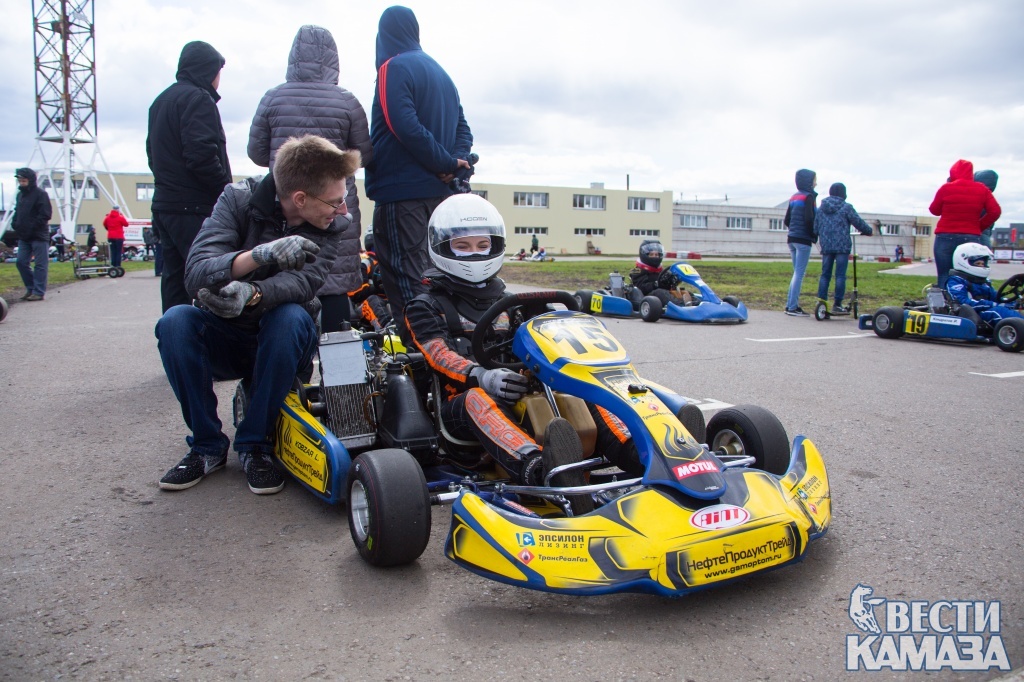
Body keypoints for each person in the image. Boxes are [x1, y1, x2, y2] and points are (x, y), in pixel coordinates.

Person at [405, 194, 642, 513]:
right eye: (463, 246)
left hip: (522, 395)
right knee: (478, 399)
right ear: (442, 247)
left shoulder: (511, 300)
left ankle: (634, 451)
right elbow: (438, 354)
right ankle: (543, 471)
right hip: (457, 407)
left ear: (495, 245)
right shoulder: (425, 305)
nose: (474, 254)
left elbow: (551, 338)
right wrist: (482, 376)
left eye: (481, 245)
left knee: (579, 385)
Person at [155, 135, 360, 494]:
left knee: (292, 316)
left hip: (282, 343)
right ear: (300, 199)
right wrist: (258, 256)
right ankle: (206, 447)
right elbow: (196, 272)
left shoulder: (333, 226)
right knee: (174, 322)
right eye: (336, 201)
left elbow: (303, 284)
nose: (343, 210)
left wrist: (252, 293)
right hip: (225, 335)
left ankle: (255, 445)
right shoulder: (237, 200)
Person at [247, 25, 373, 334]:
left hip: (287, 203)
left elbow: (255, 151)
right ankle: (340, 377)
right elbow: (365, 154)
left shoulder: (272, 98)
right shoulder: (347, 101)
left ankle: (291, 371)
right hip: (334, 204)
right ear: (333, 59)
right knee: (334, 285)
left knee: (283, 280)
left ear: (293, 57)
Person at [364, 5, 474, 346]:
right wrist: (457, 162)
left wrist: (444, 162)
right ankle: (455, 355)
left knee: (408, 282)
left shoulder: (391, 68)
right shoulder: (442, 73)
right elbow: (463, 129)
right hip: (440, 199)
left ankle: (429, 369)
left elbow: (403, 125)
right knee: (439, 279)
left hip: (402, 195)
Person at [147, 40, 233, 312]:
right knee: (211, 276)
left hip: (165, 205)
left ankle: (175, 342)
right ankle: (215, 346)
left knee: (174, 280)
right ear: (209, 71)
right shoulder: (199, 99)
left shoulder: (160, 101)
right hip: (193, 206)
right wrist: (227, 193)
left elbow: (152, 153)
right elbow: (202, 157)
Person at [929, 159, 1000, 288]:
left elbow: (934, 210)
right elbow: (995, 211)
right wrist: (979, 226)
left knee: (945, 273)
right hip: (971, 237)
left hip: (945, 236)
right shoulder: (982, 189)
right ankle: (969, 302)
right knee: (971, 274)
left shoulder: (946, 188)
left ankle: (945, 305)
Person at [812, 183, 873, 314]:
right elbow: (858, 222)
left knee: (825, 275)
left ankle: (821, 302)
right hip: (842, 246)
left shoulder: (821, 208)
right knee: (840, 275)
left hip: (826, 245)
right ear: (843, 193)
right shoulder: (846, 207)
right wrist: (868, 231)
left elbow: (815, 228)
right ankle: (837, 304)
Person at [945, 243, 1022, 326]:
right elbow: (962, 302)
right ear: (963, 262)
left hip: (984, 311)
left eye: (982, 264)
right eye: (978, 264)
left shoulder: (984, 282)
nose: (981, 266)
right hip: (969, 315)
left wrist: (1014, 303)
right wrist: (991, 304)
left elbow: (996, 298)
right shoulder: (956, 281)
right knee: (999, 311)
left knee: (1007, 311)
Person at [12, 168, 53, 301]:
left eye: (24, 179)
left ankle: (38, 291)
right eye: (20, 180)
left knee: (40, 264)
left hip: (39, 235)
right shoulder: (20, 195)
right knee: (21, 262)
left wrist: (32, 226)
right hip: (24, 236)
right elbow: (17, 210)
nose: (22, 182)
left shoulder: (41, 194)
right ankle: (31, 288)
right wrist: (15, 222)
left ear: (30, 180)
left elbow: (45, 214)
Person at [783, 169, 817, 316]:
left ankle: (790, 305)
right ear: (809, 181)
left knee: (796, 273)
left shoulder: (794, 197)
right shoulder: (808, 197)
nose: (817, 182)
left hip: (792, 239)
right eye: (815, 179)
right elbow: (810, 219)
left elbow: (786, 220)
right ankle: (792, 307)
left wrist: (794, 231)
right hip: (803, 240)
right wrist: (813, 235)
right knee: (799, 274)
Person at [628, 239, 678, 304]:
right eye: (651, 255)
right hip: (646, 298)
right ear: (644, 254)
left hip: (661, 296)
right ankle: (679, 305)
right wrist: (655, 284)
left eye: (656, 255)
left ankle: (692, 303)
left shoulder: (661, 271)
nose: (655, 257)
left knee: (681, 290)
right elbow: (640, 288)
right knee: (660, 292)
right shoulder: (637, 270)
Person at [974, 169, 999, 249]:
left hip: (972, 231)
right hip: (985, 232)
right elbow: (995, 212)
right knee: (982, 257)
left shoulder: (975, 196)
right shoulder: (990, 198)